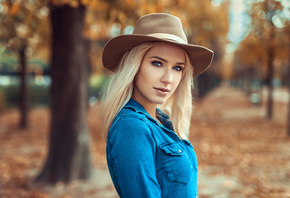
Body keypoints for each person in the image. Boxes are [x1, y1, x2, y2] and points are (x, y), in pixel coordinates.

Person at [101, 13, 214, 198]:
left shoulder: (161, 122)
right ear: (134, 65)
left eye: (178, 68)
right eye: (157, 63)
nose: (168, 79)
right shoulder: (132, 127)